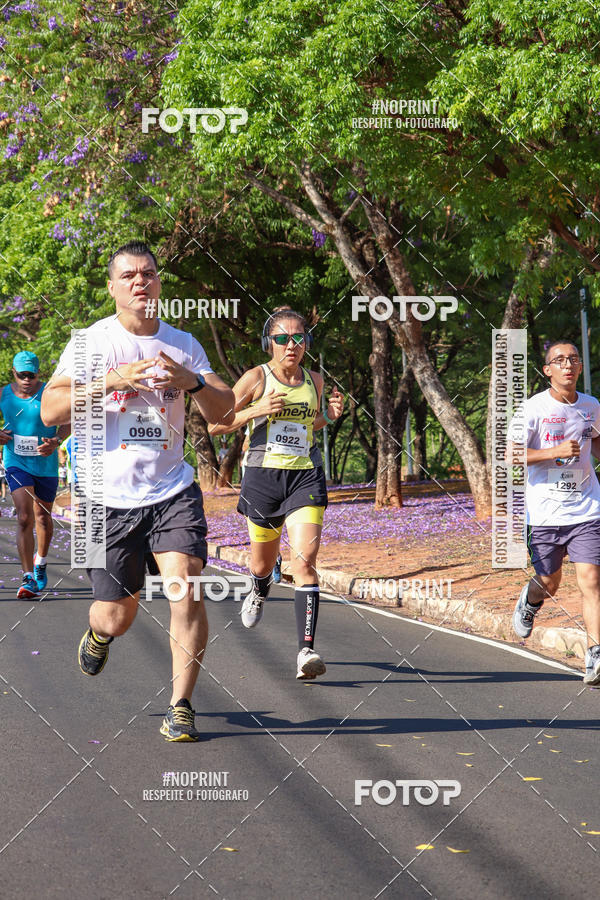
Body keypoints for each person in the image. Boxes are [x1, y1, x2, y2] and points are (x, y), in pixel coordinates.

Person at [41, 241, 235, 741]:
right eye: (128, 275)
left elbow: (226, 411)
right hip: (104, 500)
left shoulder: (184, 342)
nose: (140, 281)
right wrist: (113, 380)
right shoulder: (90, 343)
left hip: (172, 490)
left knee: (184, 585)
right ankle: (99, 633)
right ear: (112, 288)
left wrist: (191, 382)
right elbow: (50, 411)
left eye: (148, 273)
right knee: (116, 615)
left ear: (159, 282)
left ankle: (182, 705)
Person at [209, 307, 344, 679]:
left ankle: (306, 652)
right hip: (263, 480)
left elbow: (310, 423)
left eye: (299, 338)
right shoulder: (256, 378)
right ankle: (259, 586)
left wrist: (329, 416)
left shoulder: (314, 381)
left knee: (304, 562)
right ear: (269, 343)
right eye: (282, 338)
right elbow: (215, 424)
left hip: (305, 477)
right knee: (262, 564)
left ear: (307, 344)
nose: (291, 345)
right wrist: (255, 409)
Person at [511, 340, 600, 684]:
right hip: (545, 513)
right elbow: (511, 454)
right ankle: (530, 602)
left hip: (587, 508)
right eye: (559, 360)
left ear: (579, 367)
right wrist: (554, 451)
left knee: (592, 580)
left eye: (573, 359)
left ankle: (594, 655)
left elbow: (596, 440)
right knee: (549, 581)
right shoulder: (532, 409)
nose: (568, 365)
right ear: (547, 370)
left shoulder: (591, 406)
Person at [0, 351, 69, 598]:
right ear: (14, 373)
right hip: (16, 460)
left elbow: (69, 420)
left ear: (39, 373)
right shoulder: (3, 393)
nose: (27, 379)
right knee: (24, 516)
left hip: (45, 463)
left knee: (42, 518)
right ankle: (28, 577)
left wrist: (56, 441)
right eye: (22, 375)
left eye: (32, 375)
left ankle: (40, 562)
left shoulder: (51, 393)